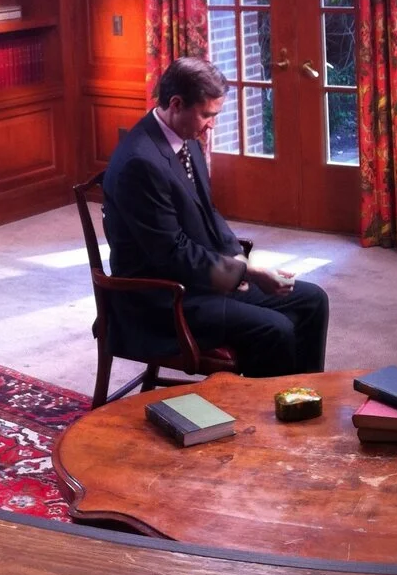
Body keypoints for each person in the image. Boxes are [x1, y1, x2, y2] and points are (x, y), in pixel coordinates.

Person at [103, 56, 329, 377]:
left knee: (313, 301)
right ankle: (263, 408)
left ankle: (304, 398)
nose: (212, 125)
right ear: (176, 104)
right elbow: (172, 254)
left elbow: (207, 213)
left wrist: (239, 260)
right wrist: (243, 274)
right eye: (207, 115)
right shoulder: (139, 163)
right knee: (274, 329)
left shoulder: (186, 139)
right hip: (162, 298)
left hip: (198, 279)